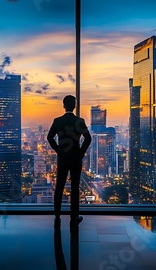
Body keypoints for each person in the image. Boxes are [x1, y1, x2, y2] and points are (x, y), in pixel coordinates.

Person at [47, 95, 91, 226]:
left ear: (63, 105)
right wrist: (80, 153)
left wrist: (59, 150)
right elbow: (88, 139)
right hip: (75, 158)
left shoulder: (57, 121)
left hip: (63, 158)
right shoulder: (80, 121)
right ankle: (74, 216)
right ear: (75, 106)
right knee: (74, 187)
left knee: (59, 186)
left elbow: (49, 138)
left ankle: (57, 215)